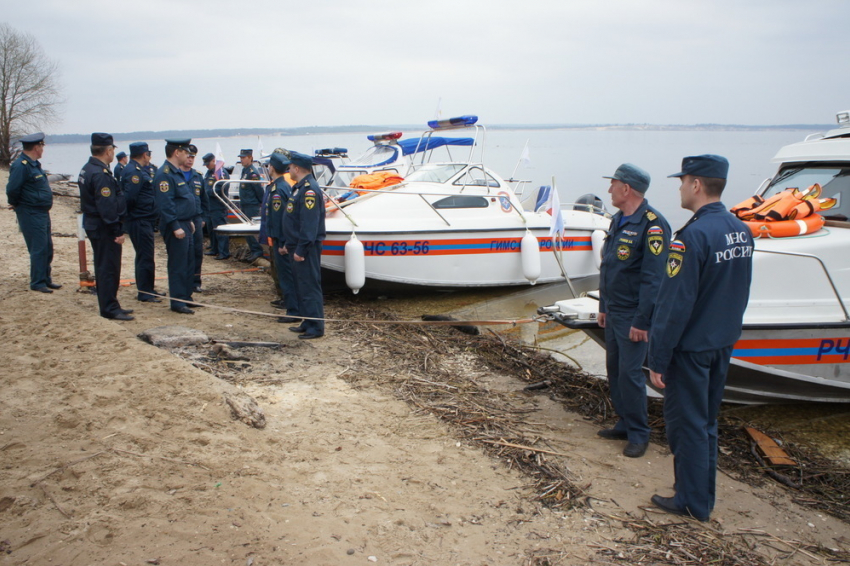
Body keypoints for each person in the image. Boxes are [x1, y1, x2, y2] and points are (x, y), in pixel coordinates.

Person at [648, 155, 753, 521]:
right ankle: (701, 497)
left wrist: (657, 359)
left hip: (692, 350)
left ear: (695, 184)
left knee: (688, 425)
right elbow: (741, 290)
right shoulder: (740, 229)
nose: (678, 188)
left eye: (682, 181)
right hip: (721, 343)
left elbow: (675, 306)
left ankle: (691, 502)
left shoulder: (691, 237)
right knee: (707, 423)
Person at [597, 164, 670, 458]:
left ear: (626, 188)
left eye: (613, 184)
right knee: (614, 371)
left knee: (630, 374)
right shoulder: (619, 219)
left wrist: (642, 321)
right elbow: (609, 267)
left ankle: (640, 433)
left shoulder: (653, 225)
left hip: (633, 316)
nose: (609, 189)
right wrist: (603, 306)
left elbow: (655, 280)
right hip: (614, 310)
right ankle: (625, 423)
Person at [78, 133, 133, 320]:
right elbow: (106, 206)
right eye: (112, 151)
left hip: (96, 224)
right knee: (108, 268)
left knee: (105, 266)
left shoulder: (88, 168)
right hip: (103, 227)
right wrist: (116, 230)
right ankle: (109, 308)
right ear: (108, 151)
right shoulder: (99, 174)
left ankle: (111, 303)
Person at [5, 132, 60, 293]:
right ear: (36, 147)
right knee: (39, 248)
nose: (43, 149)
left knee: (47, 247)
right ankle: (37, 282)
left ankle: (45, 278)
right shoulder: (21, 165)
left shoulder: (34, 164)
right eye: (42, 146)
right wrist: (16, 204)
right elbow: (12, 189)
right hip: (30, 212)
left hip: (41, 211)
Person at [152, 138, 198, 314]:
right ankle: (178, 301)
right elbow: (166, 203)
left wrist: (189, 219)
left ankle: (186, 296)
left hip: (185, 222)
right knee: (178, 264)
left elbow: (183, 198)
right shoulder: (164, 173)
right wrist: (175, 225)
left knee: (188, 261)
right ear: (176, 152)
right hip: (176, 224)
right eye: (186, 152)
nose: (188, 156)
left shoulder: (176, 172)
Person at [283, 151, 325, 339]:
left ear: (297, 168)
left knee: (309, 286)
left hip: (305, 248)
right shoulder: (299, 187)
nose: (289, 170)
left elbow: (309, 224)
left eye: (290, 167)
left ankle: (316, 326)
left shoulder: (309, 190)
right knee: (301, 285)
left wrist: (301, 249)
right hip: (296, 245)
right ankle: (307, 320)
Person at [121, 142, 161, 303]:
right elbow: (129, 198)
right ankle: (145, 292)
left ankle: (149, 288)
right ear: (145, 154)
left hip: (145, 218)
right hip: (139, 219)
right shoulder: (134, 172)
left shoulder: (136, 170)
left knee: (146, 256)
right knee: (145, 256)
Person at [263, 152, 299, 322]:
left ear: (272, 167)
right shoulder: (281, 186)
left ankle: (293, 311)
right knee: (287, 275)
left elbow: (280, 218)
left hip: (282, 240)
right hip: (281, 238)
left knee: (286, 276)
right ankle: (294, 308)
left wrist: (283, 242)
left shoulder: (278, 189)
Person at [184, 145, 208, 293]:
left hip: (197, 218)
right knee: (184, 252)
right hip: (184, 220)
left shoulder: (198, 176)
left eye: (192, 157)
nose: (190, 160)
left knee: (197, 252)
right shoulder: (176, 175)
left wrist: (204, 217)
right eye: (188, 156)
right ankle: (184, 281)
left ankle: (195, 282)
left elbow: (204, 200)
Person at [202, 152, 232, 260]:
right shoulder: (209, 173)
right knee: (211, 229)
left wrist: (208, 192)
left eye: (207, 163)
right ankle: (214, 249)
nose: (206, 165)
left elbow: (221, 188)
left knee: (220, 229)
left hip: (218, 205)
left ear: (214, 161)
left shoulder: (221, 173)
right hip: (209, 206)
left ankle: (224, 252)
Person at [238, 148, 265, 261]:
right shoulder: (245, 171)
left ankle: (257, 251)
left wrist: (261, 203)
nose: (242, 160)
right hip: (244, 204)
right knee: (246, 230)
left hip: (251, 204)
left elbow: (258, 190)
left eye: (243, 158)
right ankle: (252, 250)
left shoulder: (253, 173)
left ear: (250, 158)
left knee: (252, 231)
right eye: (241, 158)